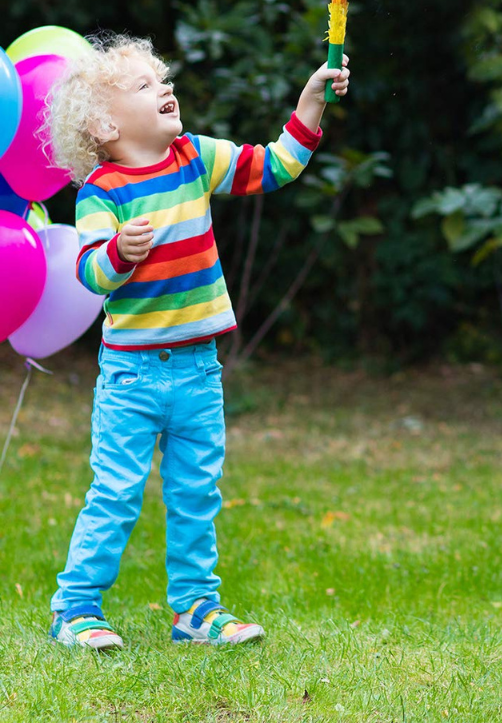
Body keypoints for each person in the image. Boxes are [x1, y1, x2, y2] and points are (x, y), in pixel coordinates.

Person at [44, 33, 349, 650]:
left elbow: (276, 165)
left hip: (199, 372)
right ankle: (75, 609)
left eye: (164, 79)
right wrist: (119, 254)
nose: (166, 88)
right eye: (146, 85)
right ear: (104, 124)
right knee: (116, 493)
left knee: (195, 495)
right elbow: (88, 272)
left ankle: (196, 612)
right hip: (132, 376)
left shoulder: (194, 157)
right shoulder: (101, 192)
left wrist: (310, 102)